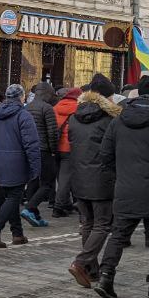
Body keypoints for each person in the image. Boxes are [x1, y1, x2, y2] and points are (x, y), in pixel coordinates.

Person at [93, 76, 149, 298]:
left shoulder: (118, 120)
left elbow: (104, 155)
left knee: (118, 235)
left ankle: (106, 277)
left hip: (126, 188)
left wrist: (122, 175)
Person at [65, 81, 121, 287]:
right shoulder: (109, 120)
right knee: (103, 224)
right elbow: (113, 150)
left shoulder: (75, 117)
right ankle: (81, 262)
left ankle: (92, 269)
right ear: (106, 98)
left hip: (79, 176)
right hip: (102, 177)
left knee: (88, 222)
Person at [0, 84, 41, 248]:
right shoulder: (24, 116)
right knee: (14, 197)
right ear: (21, 97)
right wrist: (36, 168)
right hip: (18, 163)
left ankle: (17, 234)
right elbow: (31, 145)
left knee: (9, 199)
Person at [23, 81, 60, 228]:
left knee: (33, 181)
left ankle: (35, 214)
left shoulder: (27, 108)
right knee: (47, 183)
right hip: (44, 150)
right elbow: (52, 132)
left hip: (29, 149)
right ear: (47, 94)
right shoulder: (47, 108)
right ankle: (29, 208)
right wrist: (53, 150)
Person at [52, 84, 84, 216]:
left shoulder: (56, 107)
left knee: (60, 177)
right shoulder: (78, 108)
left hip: (55, 146)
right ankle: (58, 207)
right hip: (68, 147)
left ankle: (65, 203)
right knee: (66, 179)